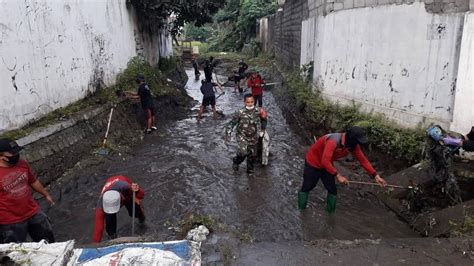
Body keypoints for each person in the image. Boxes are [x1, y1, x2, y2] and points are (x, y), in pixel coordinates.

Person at [298, 127, 387, 213]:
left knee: (332, 190)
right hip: (313, 163)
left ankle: (330, 215)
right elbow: (324, 161)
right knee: (307, 187)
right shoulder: (333, 141)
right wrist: (338, 175)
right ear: (351, 139)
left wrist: (375, 175)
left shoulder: (353, 146)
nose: (359, 144)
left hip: (327, 165)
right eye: (358, 141)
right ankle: (301, 211)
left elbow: (363, 160)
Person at [0, 138, 55, 244]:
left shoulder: (22, 164)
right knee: (16, 252)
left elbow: (33, 181)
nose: (16, 155)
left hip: (33, 212)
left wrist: (46, 194)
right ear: (1, 155)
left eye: (17, 152)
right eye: (13, 153)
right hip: (10, 221)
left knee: (48, 242)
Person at [93, 175, 145, 243]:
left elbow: (142, 195)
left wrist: (137, 190)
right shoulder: (101, 205)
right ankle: (112, 238)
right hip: (114, 196)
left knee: (136, 212)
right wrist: (96, 246)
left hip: (126, 194)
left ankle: (142, 219)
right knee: (109, 222)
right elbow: (98, 229)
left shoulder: (126, 187)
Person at [225, 94, 268, 174]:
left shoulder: (258, 111)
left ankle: (250, 170)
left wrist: (263, 129)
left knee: (252, 155)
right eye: (248, 102)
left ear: (254, 102)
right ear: (244, 102)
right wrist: (228, 133)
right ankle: (236, 161)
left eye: (252, 102)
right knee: (243, 152)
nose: (250, 104)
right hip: (242, 135)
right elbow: (232, 123)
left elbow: (264, 119)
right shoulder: (239, 112)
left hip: (253, 136)